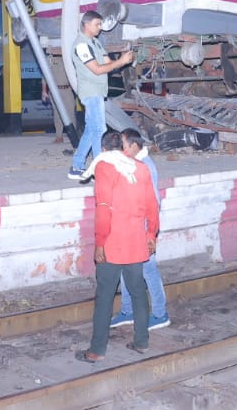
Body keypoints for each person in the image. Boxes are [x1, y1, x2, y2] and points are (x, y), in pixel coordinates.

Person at [76, 130, 160, 363]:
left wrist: (100, 243)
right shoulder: (139, 167)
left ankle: (97, 350)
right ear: (122, 148)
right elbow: (152, 204)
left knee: (104, 297)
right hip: (137, 242)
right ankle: (141, 342)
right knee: (138, 292)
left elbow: (103, 209)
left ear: (103, 149)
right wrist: (151, 234)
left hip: (113, 243)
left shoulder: (104, 167)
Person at [111, 128, 170, 331]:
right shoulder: (133, 164)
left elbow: (153, 202)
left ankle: (160, 314)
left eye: (124, 146)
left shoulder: (146, 167)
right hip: (131, 226)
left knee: (148, 270)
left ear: (134, 146)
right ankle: (128, 311)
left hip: (142, 228)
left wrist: (148, 234)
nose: (122, 150)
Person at [68, 11, 134, 181]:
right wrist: (120, 62)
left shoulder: (95, 43)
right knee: (99, 129)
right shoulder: (81, 45)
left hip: (98, 91)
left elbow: (107, 64)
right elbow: (97, 69)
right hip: (91, 92)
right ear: (86, 24)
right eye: (97, 24)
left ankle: (77, 166)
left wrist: (122, 59)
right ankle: (99, 169)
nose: (100, 28)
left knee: (92, 130)